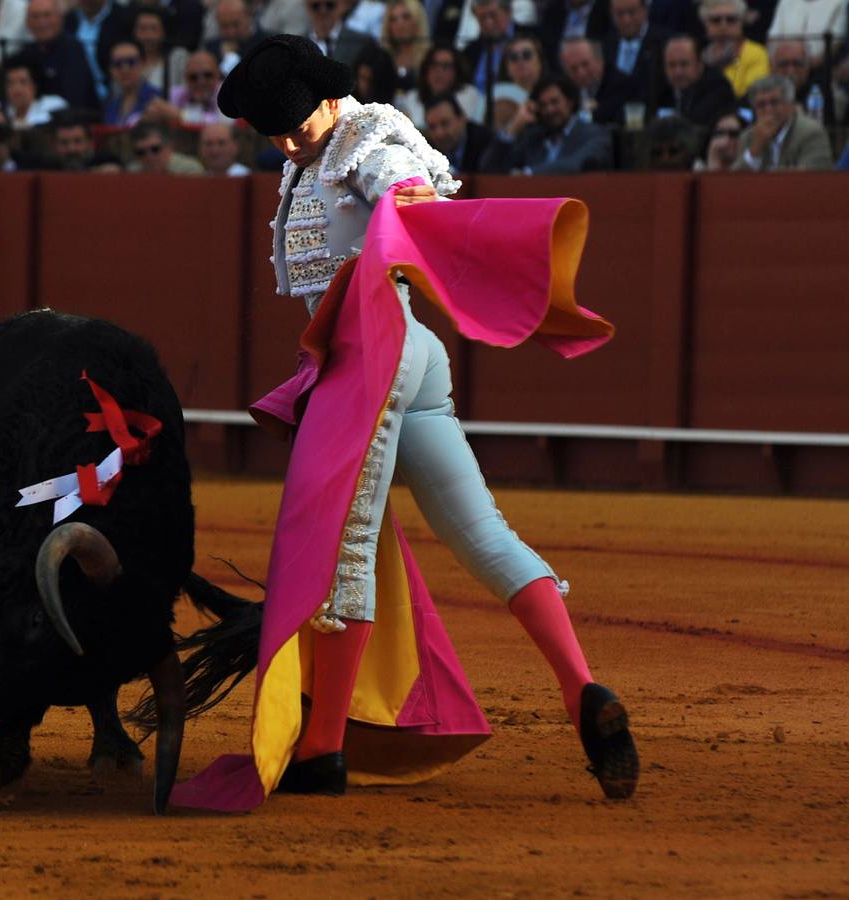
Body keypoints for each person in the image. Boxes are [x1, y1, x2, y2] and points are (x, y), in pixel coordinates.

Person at [171, 34, 634, 812]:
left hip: (374, 357)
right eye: (271, 133)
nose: (285, 143)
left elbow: (405, 189)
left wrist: (399, 200)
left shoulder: (367, 135)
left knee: (344, 547)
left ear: (326, 99)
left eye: (292, 126)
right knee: (480, 534)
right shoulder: (311, 153)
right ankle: (578, 688)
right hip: (406, 357)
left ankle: (321, 752)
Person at [502, 73, 612, 172]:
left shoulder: (595, 135)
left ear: (570, 102)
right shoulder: (533, 139)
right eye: (543, 105)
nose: (549, 110)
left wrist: (528, 174)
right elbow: (494, 169)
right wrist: (513, 129)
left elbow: (575, 165)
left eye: (554, 102)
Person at [733, 72, 833, 169]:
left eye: (774, 102)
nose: (768, 109)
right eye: (761, 104)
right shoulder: (748, 137)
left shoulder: (811, 133)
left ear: (790, 104)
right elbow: (734, 182)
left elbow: (811, 177)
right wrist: (754, 150)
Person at [24, 0, 99, 111]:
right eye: (35, 17)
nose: (41, 23)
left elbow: (75, 100)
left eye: (47, 15)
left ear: (60, 18)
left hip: (71, 121)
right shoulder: (26, 52)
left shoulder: (72, 49)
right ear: (27, 23)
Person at [655, 33, 736, 126]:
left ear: (699, 64)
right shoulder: (658, 87)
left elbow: (696, 124)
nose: (678, 72)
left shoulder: (718, 87)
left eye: (684, 64)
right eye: (671, 65)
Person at [397, 42, 484, 125]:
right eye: (434, 65)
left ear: (457, 71)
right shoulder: (412, 97)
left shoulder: (468, 93)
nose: (439, 72)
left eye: (446, 66)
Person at [700, 0, 770, 97]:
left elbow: (752, 93)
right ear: (705, 24)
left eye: (731, 19)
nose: (723, 25)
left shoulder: (756, 53)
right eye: (715, 20)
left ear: (741, 23)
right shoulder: (699, 56)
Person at [560, 37, 636, 124]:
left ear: (600, 60)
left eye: (585, 64)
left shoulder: (621, 84)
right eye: (573, 69)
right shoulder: (563, 89)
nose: (581, 73)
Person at [424, 89, 500, 172]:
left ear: (462, 119)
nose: (439, 133)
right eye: (432, 127)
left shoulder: (487, 143)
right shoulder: (425, 149)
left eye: (445, 124)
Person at [103, 39, 161, 126]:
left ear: (143, 64)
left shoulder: (157, 98)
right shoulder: (109, 104)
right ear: (110, 69)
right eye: (117, 63)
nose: (124, 69)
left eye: (131, 62)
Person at [2, 52, 66, 127]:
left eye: (23, 82)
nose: (16, 89)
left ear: (35, 85)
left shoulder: (54, 104)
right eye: (11, 83)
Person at [207, 0, 269, 76]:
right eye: (224, 26)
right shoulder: (211, 49)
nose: (231, 32)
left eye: (235, 24)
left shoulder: (269, 44)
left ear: (249, 16)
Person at [128, 117, 204, 172]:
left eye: (155, 149)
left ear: (169, 147)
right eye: (140, 152)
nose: (149, 156)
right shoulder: (132, 172)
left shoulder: (189, 170)